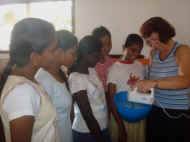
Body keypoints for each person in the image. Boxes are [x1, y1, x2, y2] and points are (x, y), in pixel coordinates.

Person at [0, 18, 59, 142]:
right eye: (52, 50)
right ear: (35, 57)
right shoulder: (22, 93)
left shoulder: (30, 82)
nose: (56, 55)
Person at [137, 17, 190, 142]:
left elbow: (185, 80)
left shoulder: (182, 50)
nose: (153, 44)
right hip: (155, 110)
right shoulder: (153, 54)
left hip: (177, 113)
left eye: (155, 40)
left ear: (165, 35)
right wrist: (143, 86)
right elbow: (150, 79)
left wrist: (154, 83)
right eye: (149, 42)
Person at [35, 30, 78, 142]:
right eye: (72, 53)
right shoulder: (43, 79)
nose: (75, 58)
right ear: (59, 52)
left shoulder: (62, 73)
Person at [68, 35, 111, 142]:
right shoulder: (76, 77)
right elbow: (87, 114)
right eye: (97, 55)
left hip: (101, 127)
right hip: (87, 133)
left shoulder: (91, 70)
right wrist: (100, 138)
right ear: (87, 54)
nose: (99, 58)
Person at [107, 34, 145, 142]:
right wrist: (120, 126)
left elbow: (143, 91)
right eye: (133, 50)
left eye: (139, 51)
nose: (135, 54)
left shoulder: (140, 66)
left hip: (138, 115)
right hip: (120, 118)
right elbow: (112, 99)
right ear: (124, 48)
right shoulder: (114, 69)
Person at [92, 26, 116, 91]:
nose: (107, 48)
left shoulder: (114, 63)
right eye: (103, 45)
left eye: (109, 44)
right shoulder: (92, 65)